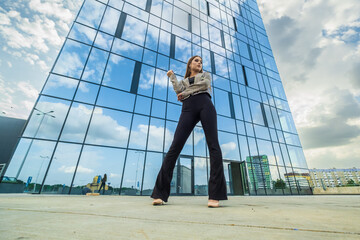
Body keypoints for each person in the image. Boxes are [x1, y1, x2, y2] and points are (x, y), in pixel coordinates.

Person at [150, 55, 228, 208]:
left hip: (205, 105)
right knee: (175, 146)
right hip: (188, 109)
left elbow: (204, 85)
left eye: (201, 61)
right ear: (190, 64)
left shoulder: (205, 75)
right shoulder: (185, 81)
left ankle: (215, 195)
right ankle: (159, 194)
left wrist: (185, 93)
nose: (199, 63)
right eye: (196, 60)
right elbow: (178, 89)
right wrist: (172, 77)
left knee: (213, 145)